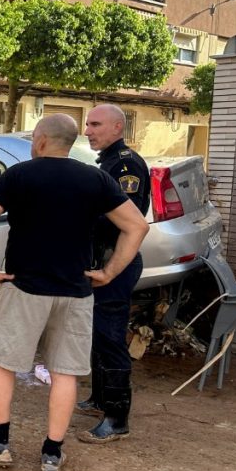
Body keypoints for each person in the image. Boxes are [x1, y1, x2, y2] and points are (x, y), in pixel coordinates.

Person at [0, 114, 148, 471]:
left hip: (24, 288)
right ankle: (52, 453)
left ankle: (0, 444)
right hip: (76, 292)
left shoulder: (18, 175)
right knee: (65, 372)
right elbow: (137, 226)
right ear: (70, 143)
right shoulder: (96, 178)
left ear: (40, 140)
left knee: (5, 365)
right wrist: (109, 273)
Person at [76, 104, 151, 444]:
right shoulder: (107, 161)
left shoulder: (125, 165)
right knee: (97, 334)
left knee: (110, 336)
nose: (87, 131)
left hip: (115, 262)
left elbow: (121, 218)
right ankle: (100, 399)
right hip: (101, 260)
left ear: (117, 127)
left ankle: (117, 419)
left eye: (95, 124)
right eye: (87, 124)